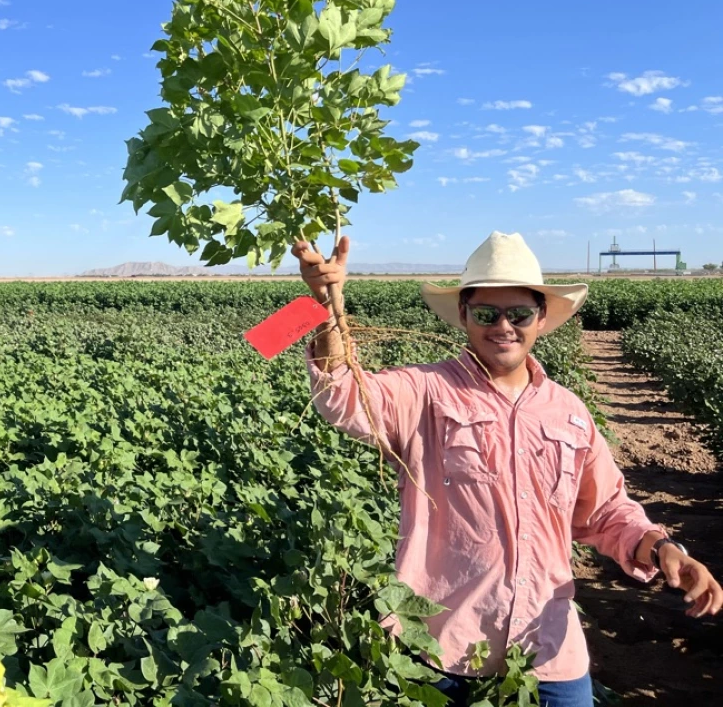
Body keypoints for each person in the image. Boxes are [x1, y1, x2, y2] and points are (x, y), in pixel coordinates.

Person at [292, 231, 723, 707]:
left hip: (548, 649)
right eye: (486, 313)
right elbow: (343, 397)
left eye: (518, 314)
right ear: (463, 316)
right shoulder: (424, 392)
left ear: (540, 318)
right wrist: (327, 307)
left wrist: (662, 547)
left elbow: (605, 511)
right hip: (440, 651)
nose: (503, 326)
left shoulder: (570, 412)